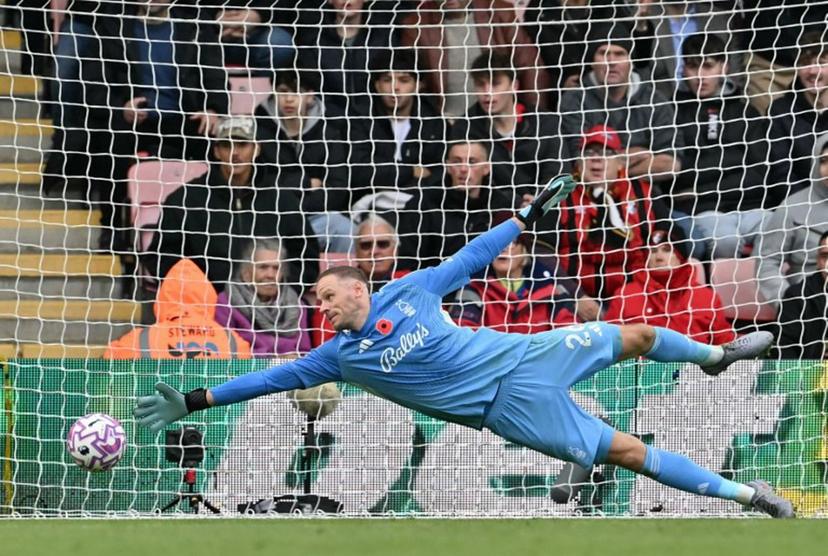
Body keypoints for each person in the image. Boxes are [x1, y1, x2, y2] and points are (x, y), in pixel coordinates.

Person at [134, 174, 792, 518]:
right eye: (317, 302)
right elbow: (266, 380)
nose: (320, 305)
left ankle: (717, 357)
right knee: (628, 454)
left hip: (526, 352)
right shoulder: (337, 357)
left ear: (356, 290)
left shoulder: (413, 289)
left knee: (640, 335)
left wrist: (524, 218)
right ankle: (747, 496)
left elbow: (472, 256)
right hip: (509, 410)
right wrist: (194, 398)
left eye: (326, 297)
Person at [143, 116, 320, 293]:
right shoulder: (185, 199)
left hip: (271, 307)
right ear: (216, 151)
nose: (235, 153)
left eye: (242, 145)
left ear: (256, 149)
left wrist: (275, 290)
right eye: (227, 145)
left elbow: (306, 261)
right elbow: (161, 258)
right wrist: (198, 291)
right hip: (205, 306)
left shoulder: (283, 201)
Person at [670, 33, 772, 259]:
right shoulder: (671, 113)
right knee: (726, 241)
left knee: (779, 232)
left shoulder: (745, 112)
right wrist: (734, 163)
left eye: (707, 66)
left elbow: (759, 173)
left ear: (724, 67)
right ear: (683, 69)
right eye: (692, 66)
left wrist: (702, 186)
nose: (700, 76)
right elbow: (675, 173)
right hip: (703, 211)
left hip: (752, 207)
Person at [553, 125, 670, 301]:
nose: (596, 159)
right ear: (578, 163)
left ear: (620, 163)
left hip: (636, 297)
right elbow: (541, 252)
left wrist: (639, 293)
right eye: (589, 153)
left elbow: (672, 238)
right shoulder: (561, 196)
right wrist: (576, 297)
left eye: (606, 153)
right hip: (573, 299)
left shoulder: (643, 193)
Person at [559, 21, 680, 184]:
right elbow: (580, 163)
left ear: (631, 61)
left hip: (644, 198)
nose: (611, 61)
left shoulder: (654, 100)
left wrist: (611, 167)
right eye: (603, 53)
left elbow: (670, 164)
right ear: (592, 62)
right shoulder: (574, 100)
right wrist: (636, 155)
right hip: (589, 198)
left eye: (619, 54)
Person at [255, 68, 353, 253]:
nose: (289, 99)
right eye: (283, 92)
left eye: (297, 91)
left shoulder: (329, 134)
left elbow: (338, 189)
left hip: (315, 217)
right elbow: (260, 182)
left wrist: (296, 200)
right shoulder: (259, 133)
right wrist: (306, 183)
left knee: (343, 228)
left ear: (310, 96)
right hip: (271, 219)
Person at [400, 0, 549, 117]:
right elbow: (412, 81)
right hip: (446, 122)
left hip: (498, 119)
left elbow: (531, 67)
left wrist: (534, 117)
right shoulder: (415, 23)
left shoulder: (499, 12)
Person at [453, 50, 569, 198]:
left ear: (514, 85)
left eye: (495, 84)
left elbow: (557, 174)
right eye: (480, 84)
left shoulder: (545, 123)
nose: (487, 92)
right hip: (491, 213)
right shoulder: (465, 128)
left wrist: (538, 202)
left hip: (542, 211)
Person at [604, 222, 736, 346]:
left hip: (692, 369)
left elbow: (725, 344)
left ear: (681, 257)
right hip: (643, 369)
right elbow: (608, 343)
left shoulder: (707, 298)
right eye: (653, 251)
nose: (658, 257)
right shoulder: (625, 295)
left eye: (667, 250)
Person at [396, 139, 514, 268]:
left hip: (484, 283)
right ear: (448, 167)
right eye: (457, 162)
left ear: (486, 168)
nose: (463, 169)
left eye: (472, 162)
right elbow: (407, 260)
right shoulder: (422, 205)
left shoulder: (502, 206)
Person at [348, 49, 447, 201]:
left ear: (418, 85)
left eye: (404, 80)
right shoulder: (360, 118)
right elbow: (359, 171)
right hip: (368, 204)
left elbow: (441, 173)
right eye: (387, 80)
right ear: (377, 86)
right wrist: (411, 171)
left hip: (421, 206)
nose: (395, 87)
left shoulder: (434, 122)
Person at [105, 259, 251, 359]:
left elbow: (106, 368)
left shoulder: (138, 340)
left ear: (162, 296)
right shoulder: (234, 342)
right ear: (208, 295)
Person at [450, 225, 578, 333]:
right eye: (497, 243)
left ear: (524, 250)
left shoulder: (551, 289)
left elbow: (568, 332)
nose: (503, 248)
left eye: (511, 242)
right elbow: (464, 335)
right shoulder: (474, 288)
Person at [310, 214, 411, 346]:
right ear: (356, 252)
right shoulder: (333, 287)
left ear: (395, 250)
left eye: (383, 244)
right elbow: (325, 343)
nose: (374, 251)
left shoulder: (412, 282)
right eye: (366, 245)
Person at [756, 132, 828, 311]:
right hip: (809, 307)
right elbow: (767, 262)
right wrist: (790, 305)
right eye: (825, 161)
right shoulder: (793, 207)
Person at [215, 238, 312, 357]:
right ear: (246, 272)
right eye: (263, 267)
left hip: (290, 370)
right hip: (248, 370)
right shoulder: (226, 303)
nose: (270, 275)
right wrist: (271, 358)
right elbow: (225, 350)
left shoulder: (298, 306)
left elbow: (304, 351)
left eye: (276, 268)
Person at [767, 31, 828, 197]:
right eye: (805, 63)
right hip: (800, 209)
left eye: (821, 63)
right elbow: (781, 175)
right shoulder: (780, 111)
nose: (812, 71)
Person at [199, 1, 294, 71]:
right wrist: (213, 18)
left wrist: (257, 15)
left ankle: (261, 92)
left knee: (279, 44)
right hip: (203, 31)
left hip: (256, 31)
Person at [776, 231, 828, 359]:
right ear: (817, 261)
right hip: (811, 375)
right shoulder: (797, 297)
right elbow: (784, 352)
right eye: (825, 256)